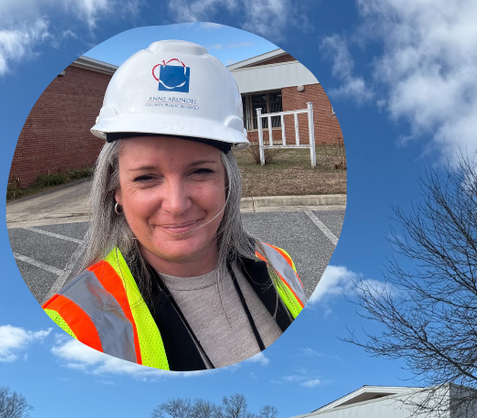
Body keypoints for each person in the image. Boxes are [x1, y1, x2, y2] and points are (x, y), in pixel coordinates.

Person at [42, 40, 307, 371]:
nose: (177, 204)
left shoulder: (277, 263)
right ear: (116, 193)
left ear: (228, 182)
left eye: (200, 172)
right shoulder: (71, 320)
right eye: (146, 178)